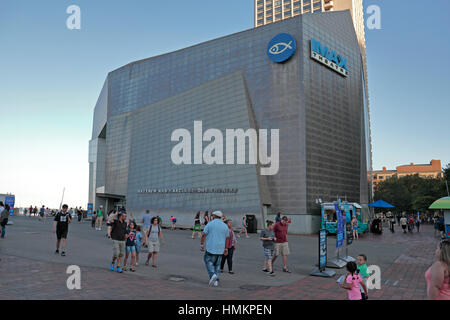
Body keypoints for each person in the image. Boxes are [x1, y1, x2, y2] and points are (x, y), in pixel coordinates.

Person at [200, 211, 230, 287]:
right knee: (217, 265)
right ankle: (216, 281)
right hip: (220, 248)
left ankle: (212, 275)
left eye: (212, 215)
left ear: (214, 216)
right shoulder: (225, 226)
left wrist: (201, 244)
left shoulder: (210, 224)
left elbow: (204, 235)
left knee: (208, 261)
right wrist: (226, 248)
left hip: (211, 247)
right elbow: (227, 238)